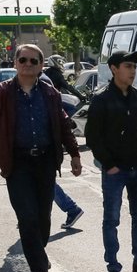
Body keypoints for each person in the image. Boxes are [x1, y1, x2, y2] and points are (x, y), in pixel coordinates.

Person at [0, 44, 82, 272]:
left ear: (41, 66)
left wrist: (75, 154)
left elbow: (64, 125)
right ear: (15, 63)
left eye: (34, 61)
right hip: (17, 164)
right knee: (27, 217)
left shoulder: (50, 93)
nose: (27, 64)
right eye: (22, 59)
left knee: (43, 219)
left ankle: (38, 255)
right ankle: (39, 269)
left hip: (45, 162)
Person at [86, 50, 137, 272]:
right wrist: (109, 165)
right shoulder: (101, 99)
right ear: (113, 68)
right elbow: (93, 137)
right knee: (111, 220)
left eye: (134, 67)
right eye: (128, 66)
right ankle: (113, 268)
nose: (132, 71)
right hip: (115, 172)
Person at [41, 57, 85, 229]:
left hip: (46, 147)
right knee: (40, 183)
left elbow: (63, 125)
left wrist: (74, 153)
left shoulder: (45, 82)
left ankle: (70, 209)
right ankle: (35, 215)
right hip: (38, 148)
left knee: (45, 182)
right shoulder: (31, 86)